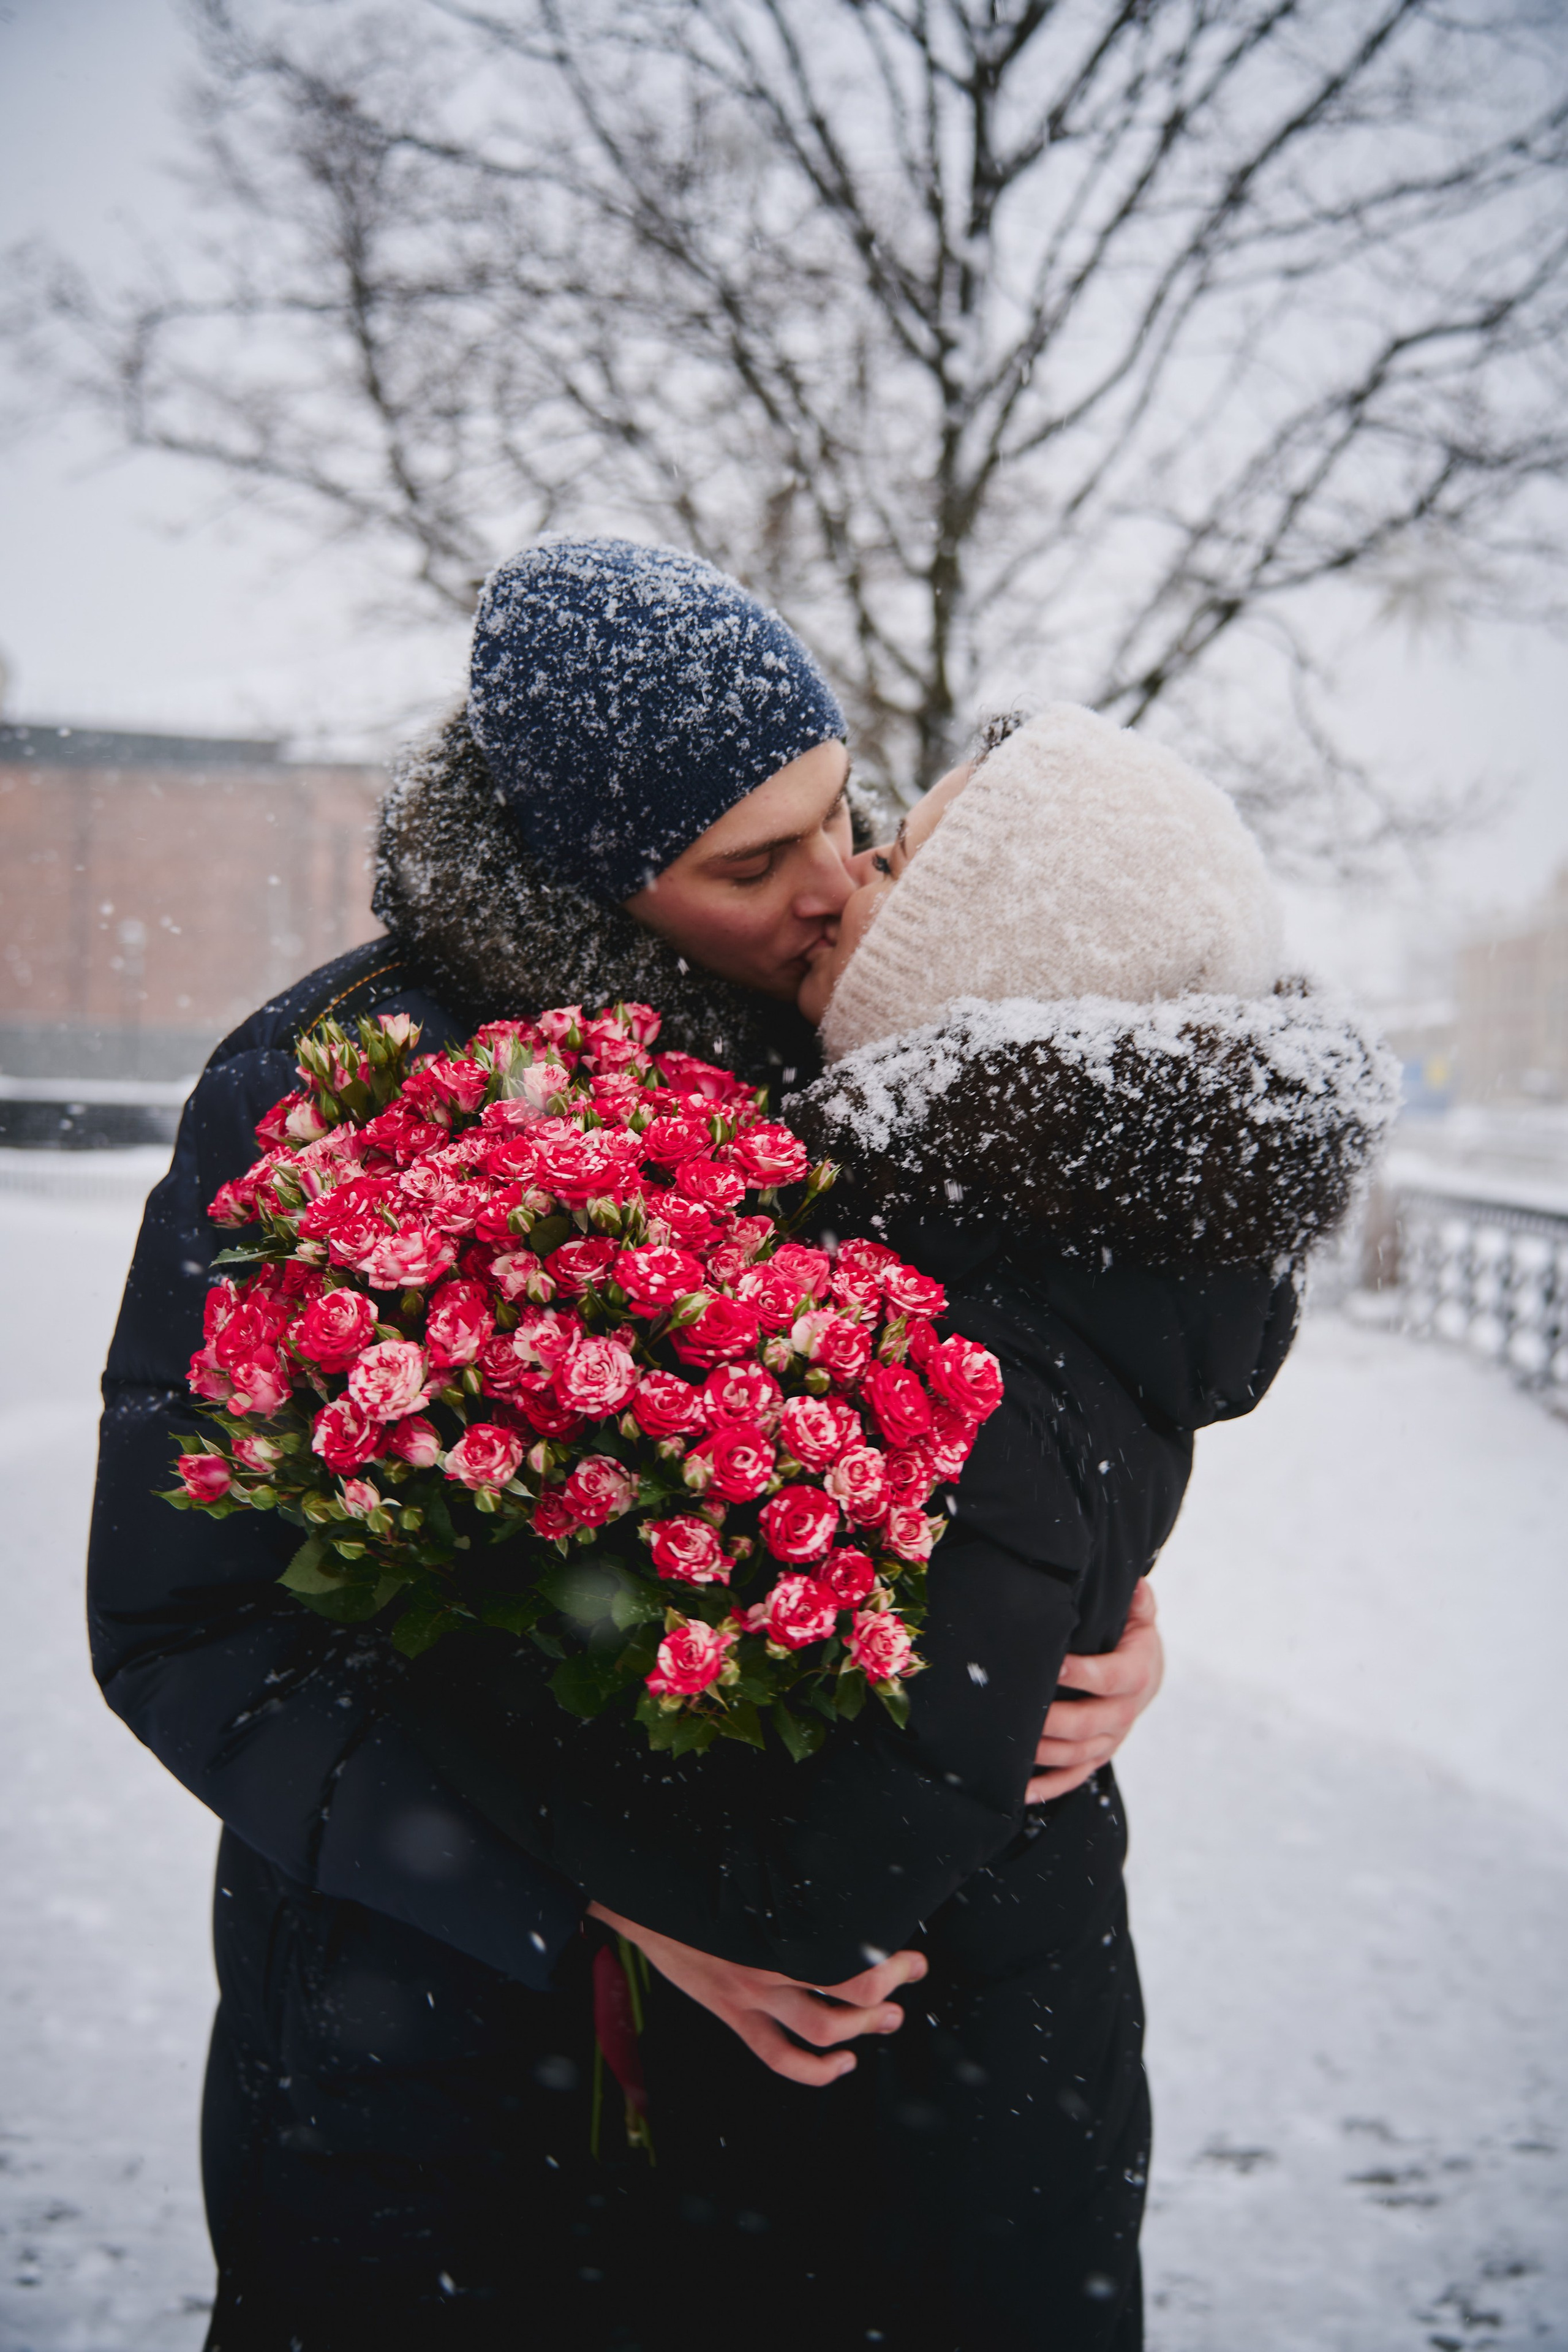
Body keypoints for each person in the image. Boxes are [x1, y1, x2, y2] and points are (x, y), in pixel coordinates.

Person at [85, 539, 1163, 2347]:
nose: (840, 892)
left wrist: (1103, 1623)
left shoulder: (902, 1029)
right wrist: (598, 1894)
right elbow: (194, 1630)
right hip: (448, 2069)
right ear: (579, 878)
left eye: (844, 815)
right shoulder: (331, 1089)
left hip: (923, 2072)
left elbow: (1072, 1405)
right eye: (753, 864)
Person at [398, 699, 1396, 2346]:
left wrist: (476, 1695)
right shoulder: (1042, 1258)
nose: (851, 872)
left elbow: (826, 1885)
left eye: (901, 856)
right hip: (955, 2123)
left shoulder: (965, 1328)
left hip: (896, 2174)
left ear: (988, 946)